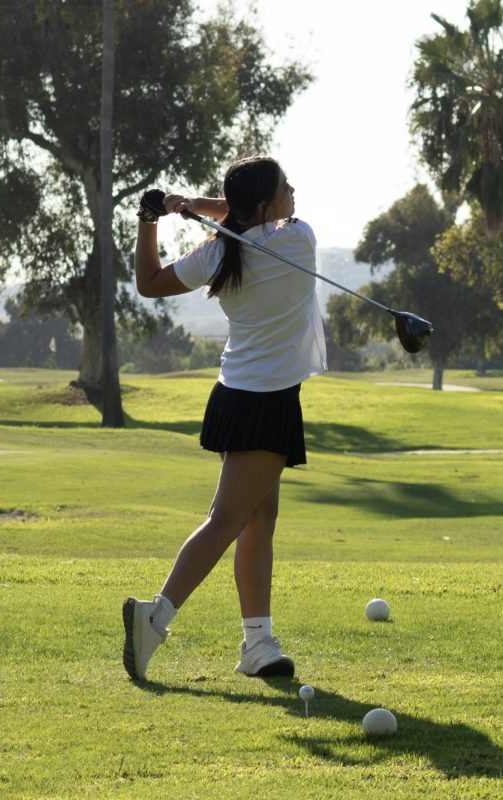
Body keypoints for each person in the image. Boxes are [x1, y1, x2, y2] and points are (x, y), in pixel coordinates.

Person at [124, 155, 327, 681]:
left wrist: (153, 220)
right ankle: (156, 615)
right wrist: (193, 205)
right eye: (284, 186)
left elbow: (149, 282)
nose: (294, 190)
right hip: (266, 402)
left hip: (240, 394)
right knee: (226, 521)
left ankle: (258, 644)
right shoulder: (297, 239)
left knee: (259, 521)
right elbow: (240, 213)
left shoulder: (216, 254)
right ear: (264, 204)